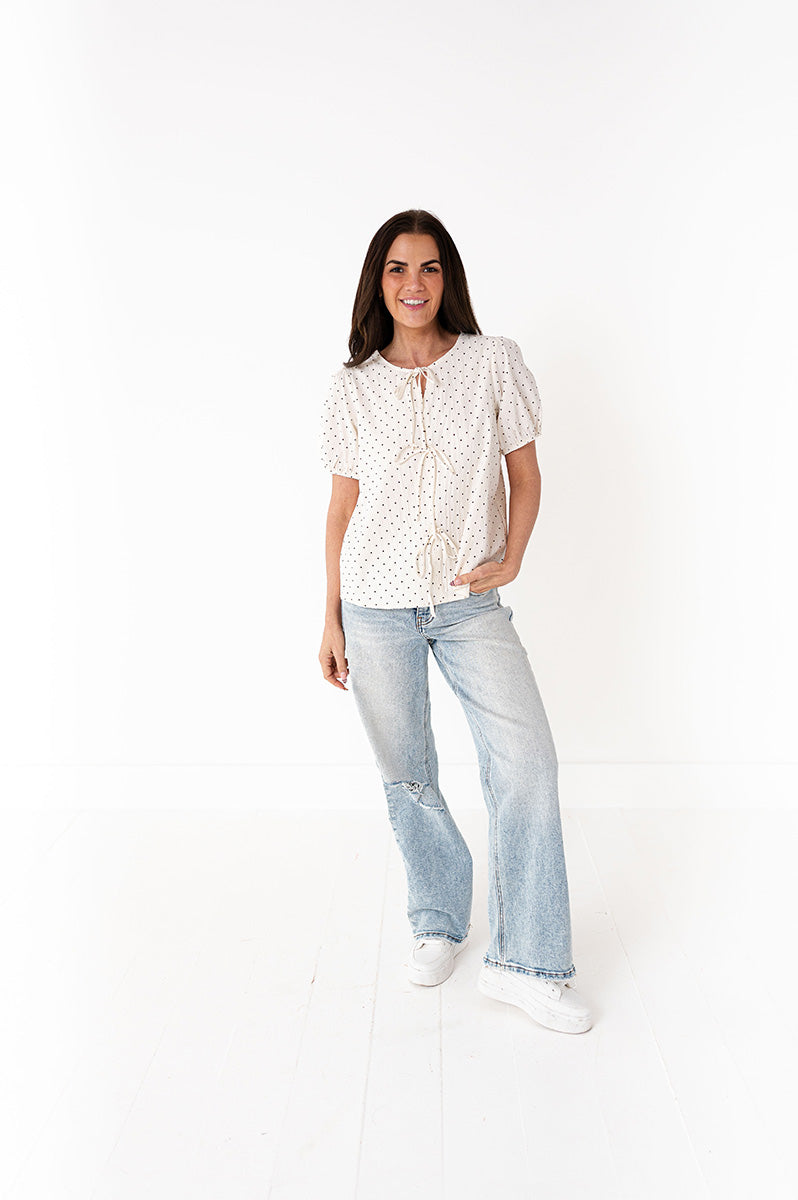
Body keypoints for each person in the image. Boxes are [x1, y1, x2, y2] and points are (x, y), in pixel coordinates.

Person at [318, 209, 593, 1035]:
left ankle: (527, 963)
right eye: (398, 268)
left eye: (430, 267)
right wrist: (329, 614)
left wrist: (511, 557)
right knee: (407, 773)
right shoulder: (352, 385)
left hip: (469, 601)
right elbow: (341, 506)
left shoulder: (492, 362)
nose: (415, 283)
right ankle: (437, 918)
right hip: (374, 603)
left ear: (449, 279)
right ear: (378, 282)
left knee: (527, 762)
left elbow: (526, 475)